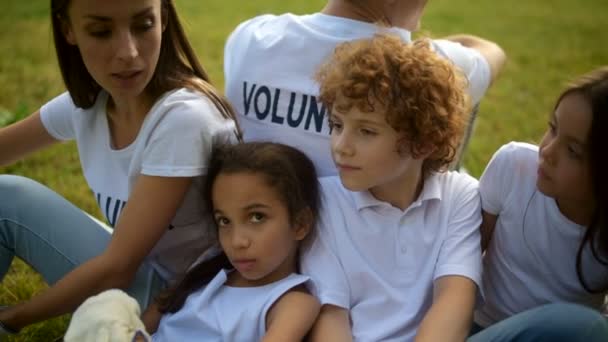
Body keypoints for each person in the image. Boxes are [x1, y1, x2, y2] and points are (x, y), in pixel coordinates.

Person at [0, 0, 240, 335]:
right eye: (101, 31)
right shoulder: (93, 103)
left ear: (164, 19)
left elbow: (117, 269)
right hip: (146, 277)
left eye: (143, 25)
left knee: (5, 200)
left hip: (182, 304)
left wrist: (12, 316)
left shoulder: (184, 120)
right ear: (68, 30)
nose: (128, 52)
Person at [301, 33, 481, 341]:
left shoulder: (459, 196)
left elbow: (454, 302)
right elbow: (330, 318)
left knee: (569, 325)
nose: (341, 146)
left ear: (422, 143)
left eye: (366, 131)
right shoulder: (324, 201)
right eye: (337, 125)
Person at [64, 142, 321, 341]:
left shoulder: (291, 302)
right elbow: (144, 325)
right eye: (224, 221)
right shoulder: (208, 270)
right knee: (108, 308)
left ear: (299, 224)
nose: (237, 241)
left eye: (256, 217)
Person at [223, 0, 506, 176]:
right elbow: (492, 52)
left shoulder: (251, 37)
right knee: (449, 99)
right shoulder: (434, 67)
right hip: (361, 244)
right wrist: (419, 48)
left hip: (255, 235)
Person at [468, 67, 608, 341]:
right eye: (553, 129)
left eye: (573, 151)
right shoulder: (515, 166)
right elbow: (464, 259)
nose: (548, 151)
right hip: (479, 329)